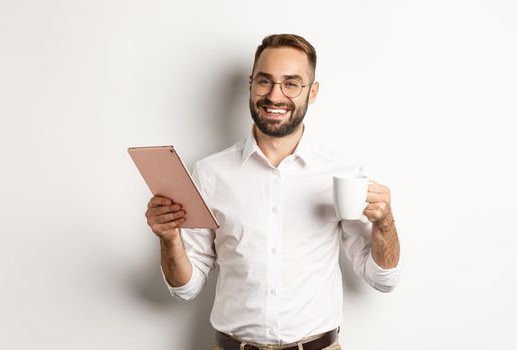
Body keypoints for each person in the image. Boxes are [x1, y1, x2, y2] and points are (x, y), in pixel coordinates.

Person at [144, 34, 402, 350]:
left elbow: (383, 279)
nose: (275, 95)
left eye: (291, 84)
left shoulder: (343, 174)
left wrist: (385, 223)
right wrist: (169, 239)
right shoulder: (210, 173)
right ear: (251, 85)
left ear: (313, 92)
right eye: (265, 81)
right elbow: (186, 288)